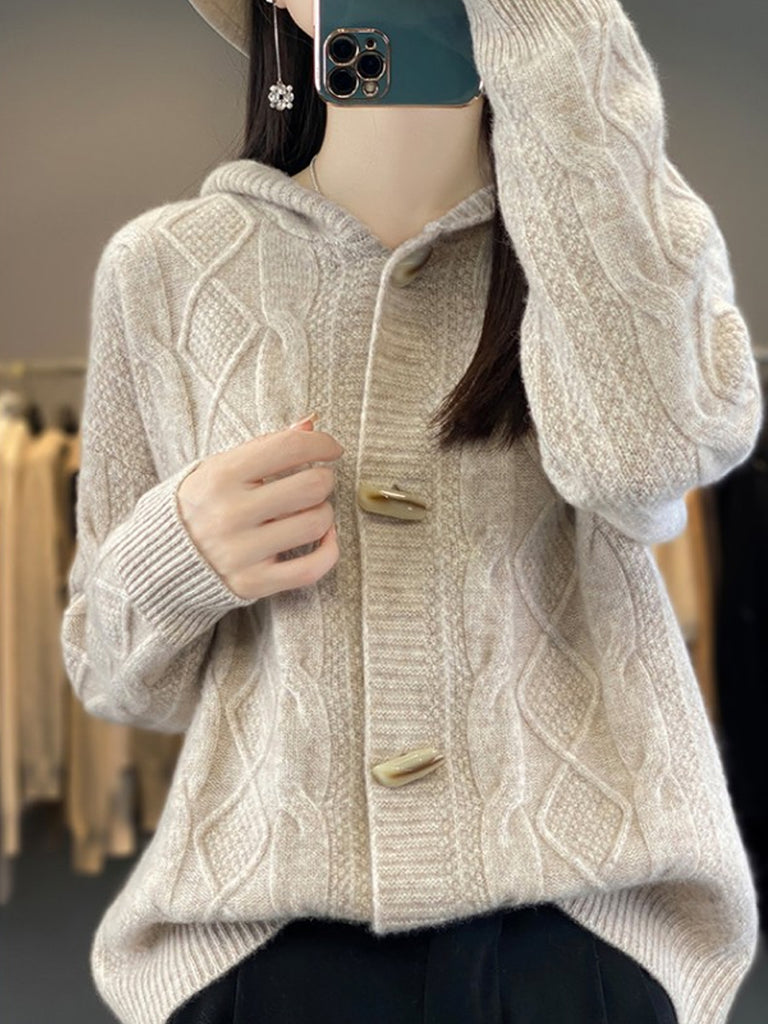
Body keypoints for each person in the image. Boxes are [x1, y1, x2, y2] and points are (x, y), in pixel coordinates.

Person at [60, 0, 764, 1022]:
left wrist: (555, 46)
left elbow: (649, 460)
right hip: (263, 946)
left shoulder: (624, 236)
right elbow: (113, 674)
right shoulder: (164, 267)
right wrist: (177, 553)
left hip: (580, 936)